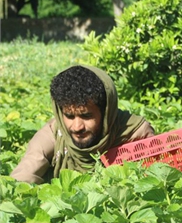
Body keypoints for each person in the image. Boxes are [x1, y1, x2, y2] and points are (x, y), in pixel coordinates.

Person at [10, 65, 155, 184]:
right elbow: (23, 176)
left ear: (105, 112)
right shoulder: (53, 135)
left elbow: (157, 177)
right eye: (69, 116)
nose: (77, 126)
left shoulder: (134, 132)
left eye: (86, 116)